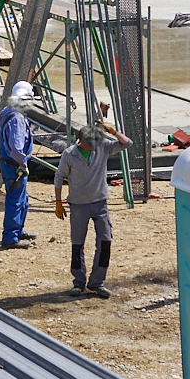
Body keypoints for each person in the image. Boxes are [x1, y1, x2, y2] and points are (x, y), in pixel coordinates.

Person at [54, 121, 132, 298]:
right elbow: (59, 177)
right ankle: (78, 283)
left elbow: (127, 143)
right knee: (77, 244)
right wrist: (58, 202)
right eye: (91, 144)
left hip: (100, 203)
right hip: (78, 205)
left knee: (105, 241)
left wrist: (113, 131)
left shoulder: (103, 146)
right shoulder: (69, 155)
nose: (94, 147)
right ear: (81, 142)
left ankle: (97, 282)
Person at [0, 80, 37, 249]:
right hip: (15, 165)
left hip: (9, 163)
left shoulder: (7, 111)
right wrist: (23, 164)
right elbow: (16, 147)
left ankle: (18, 230)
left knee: (23, 199)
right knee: (15, 200)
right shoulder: (17, 118)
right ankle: (10, 237)